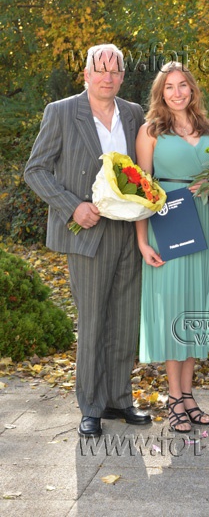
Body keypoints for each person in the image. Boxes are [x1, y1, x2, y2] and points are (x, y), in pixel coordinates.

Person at [24, 43, 151, 437]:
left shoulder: (133, 114)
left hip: (128, 229)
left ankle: (119, 399)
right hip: (87, 230)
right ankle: (91, 406)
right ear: (86, 74)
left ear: (122, 77)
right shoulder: (61, 112)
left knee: (125, 320)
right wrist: (71, 206)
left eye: (114, 71)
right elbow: (35, 169)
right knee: (94, 320)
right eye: (100, 69)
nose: (107, 77)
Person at [136, 61, 209, 432]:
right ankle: (174, 398)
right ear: (161, 93)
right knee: (174, 308)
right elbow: (142, 189)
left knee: (195, 308)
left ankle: (188, 395)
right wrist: (142, 241)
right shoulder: (150, 131)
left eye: (183, 85)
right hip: (168, 224)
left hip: (203, 224)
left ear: (192, 89)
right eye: (169, 87)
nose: (177, 92)